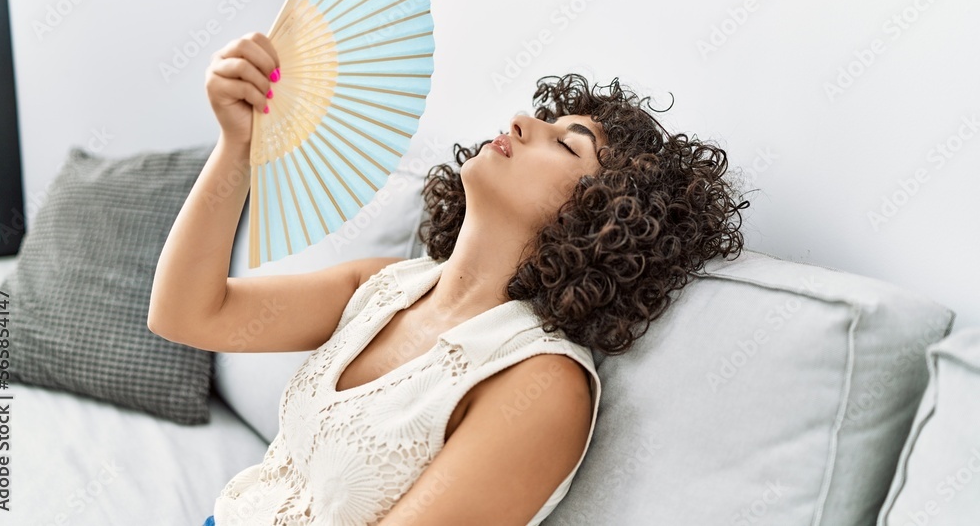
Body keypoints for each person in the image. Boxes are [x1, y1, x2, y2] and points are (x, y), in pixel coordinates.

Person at [148, 32, 750, 525]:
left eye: (568, 145)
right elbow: (185, 314)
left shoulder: (541, 382)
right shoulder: (386, 286)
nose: (520, 122)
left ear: (605, 218)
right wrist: (237, 146)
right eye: (544, 119)